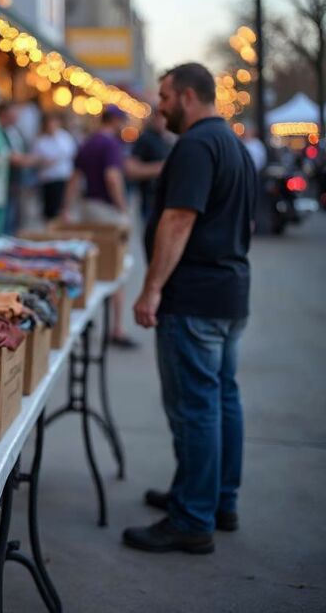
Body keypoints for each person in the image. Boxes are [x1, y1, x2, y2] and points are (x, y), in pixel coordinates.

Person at [125, 62, 258, 555]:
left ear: (186, 96)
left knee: (197, 407)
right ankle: (214, 499)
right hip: (227, 295)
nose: (159, 108)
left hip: (196, 299)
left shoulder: (197, 145)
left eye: (164, 97)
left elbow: (179, 219)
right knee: (221, 400)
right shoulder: (233, 145)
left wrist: (152, 289)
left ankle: (192, 517)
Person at [61, 105, 136, 348]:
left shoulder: (88, 142)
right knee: (115, 268)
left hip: (87, 208)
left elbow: (74, 178)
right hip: (107, 211)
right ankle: (117, 328)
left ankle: (84, 321)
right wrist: (122, 208)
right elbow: (112, 177)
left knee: (90, 265)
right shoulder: (111, 144)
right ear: (114, 120)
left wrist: (66, 208)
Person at [0, 101, 41, 233]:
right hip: (5, 182)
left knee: (14, 217)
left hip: (16, 181)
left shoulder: (13, 131)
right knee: (5, 218)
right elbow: (9, 156)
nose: (17, 115)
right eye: (14, 112)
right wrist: (29, 160)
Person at [126, 110, 172, 224]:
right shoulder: (146, 138)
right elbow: (130, 169)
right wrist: (160, 168)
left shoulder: (165, 139)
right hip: (150, 200)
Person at [32, 111, 77, 221]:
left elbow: (71, 154)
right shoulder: (41, 140)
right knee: (50, 210)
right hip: (48, 179)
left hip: (63, 177)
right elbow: (36, 158)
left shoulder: (65, 137)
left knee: (63, 208)